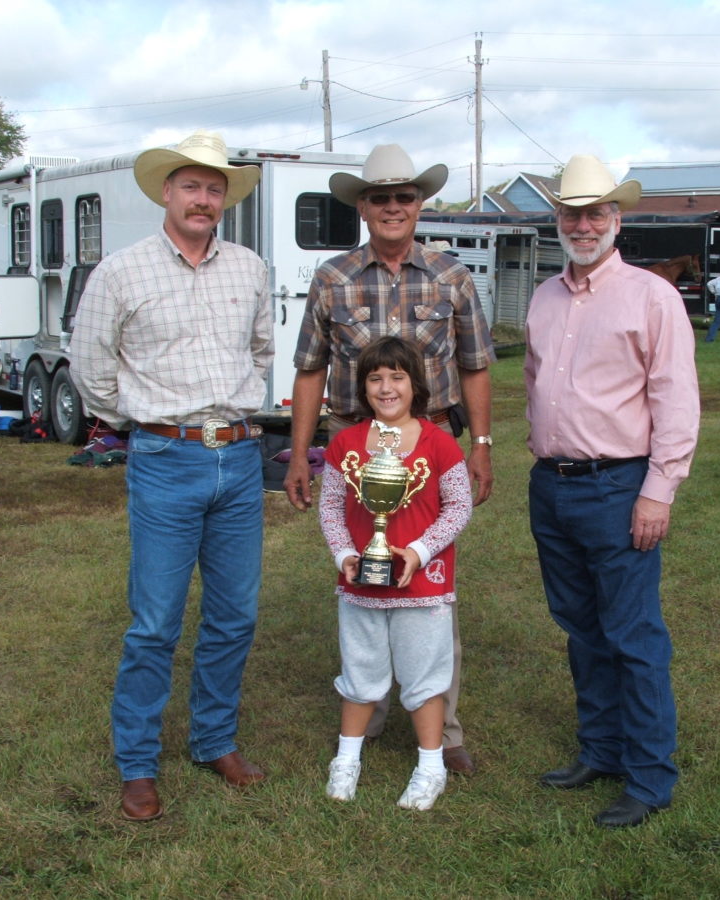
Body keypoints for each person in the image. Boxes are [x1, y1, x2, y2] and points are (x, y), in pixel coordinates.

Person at [69, 130, 272, 823]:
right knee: (155, 621)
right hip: (164, 459)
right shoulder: (121, 272)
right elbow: (89, 366)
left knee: (234, 615)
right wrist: (141, 420)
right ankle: (137, 764)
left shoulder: (249, 267)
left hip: (241, 459)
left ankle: (214, 740)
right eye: (192, 185)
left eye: (215, 188)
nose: (204, 198)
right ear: (166, 192)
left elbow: (262, 348)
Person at [284, 144, 495, 776]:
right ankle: (366, 708)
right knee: (361, 572)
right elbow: (309, 370)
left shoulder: (452, 276)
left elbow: (476, 366)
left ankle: (443, 729)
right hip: (356, 453)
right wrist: (300, 454)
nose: (393, 207)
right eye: (381, 198)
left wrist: (480, 445)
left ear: (420, 203)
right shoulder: (332, 278)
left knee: (430, 579)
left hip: (430, 448)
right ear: (363, 206)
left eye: (404, 196)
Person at [525, 154, 700, 829]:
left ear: (617, 219)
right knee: (580, 629)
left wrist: (658, 490)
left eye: (596, 211)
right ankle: (599, 750)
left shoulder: (651, 296)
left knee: (633, 634)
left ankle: (650, 777)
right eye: (572, 211)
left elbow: (676, 400)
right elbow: (540, 385)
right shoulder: (544, 298)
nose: (583, 223)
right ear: (558, 220)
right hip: (554, 485)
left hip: (620, 486)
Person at [319, 336, 473, 811]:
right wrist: (344, 553)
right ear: (363, 387)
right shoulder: (344, 444)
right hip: (361, 584)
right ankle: (347, 760)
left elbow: (458, 506)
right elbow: (330, 506)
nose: (386, 388)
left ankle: (431, 767)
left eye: (397, 377)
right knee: (361, 671)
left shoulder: (439, 443)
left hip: (422, 585)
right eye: (375, 378)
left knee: (425, 676)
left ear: (415, 385)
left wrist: (419, 551)